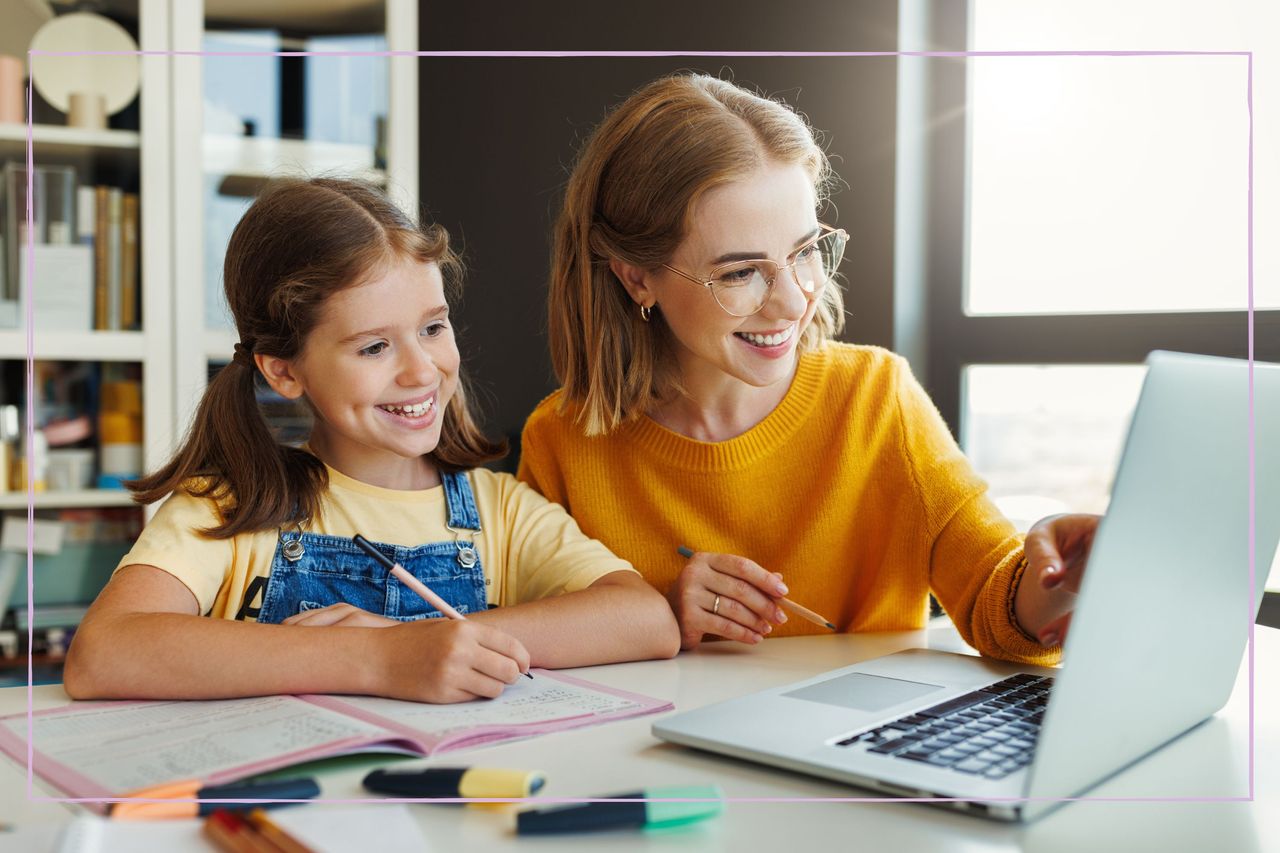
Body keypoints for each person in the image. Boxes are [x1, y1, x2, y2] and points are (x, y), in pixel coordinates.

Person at [518, 73, 1099, 660]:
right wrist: (661, 618)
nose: (794, 301)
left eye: (804, 251)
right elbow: (519, 653)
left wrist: (1057, 581)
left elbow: (993, 599)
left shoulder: (876, 398)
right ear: (636, 276)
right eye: (740, 272)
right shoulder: (563, 442)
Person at [64, 177, 679, 704]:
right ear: (283, 370)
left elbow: (644, 619)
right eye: (374, 346)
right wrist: (378, 657)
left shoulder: (500, 512)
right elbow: (103, 652)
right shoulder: (228, 505)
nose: (421, 370)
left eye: (433, 327)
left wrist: (438, 642)